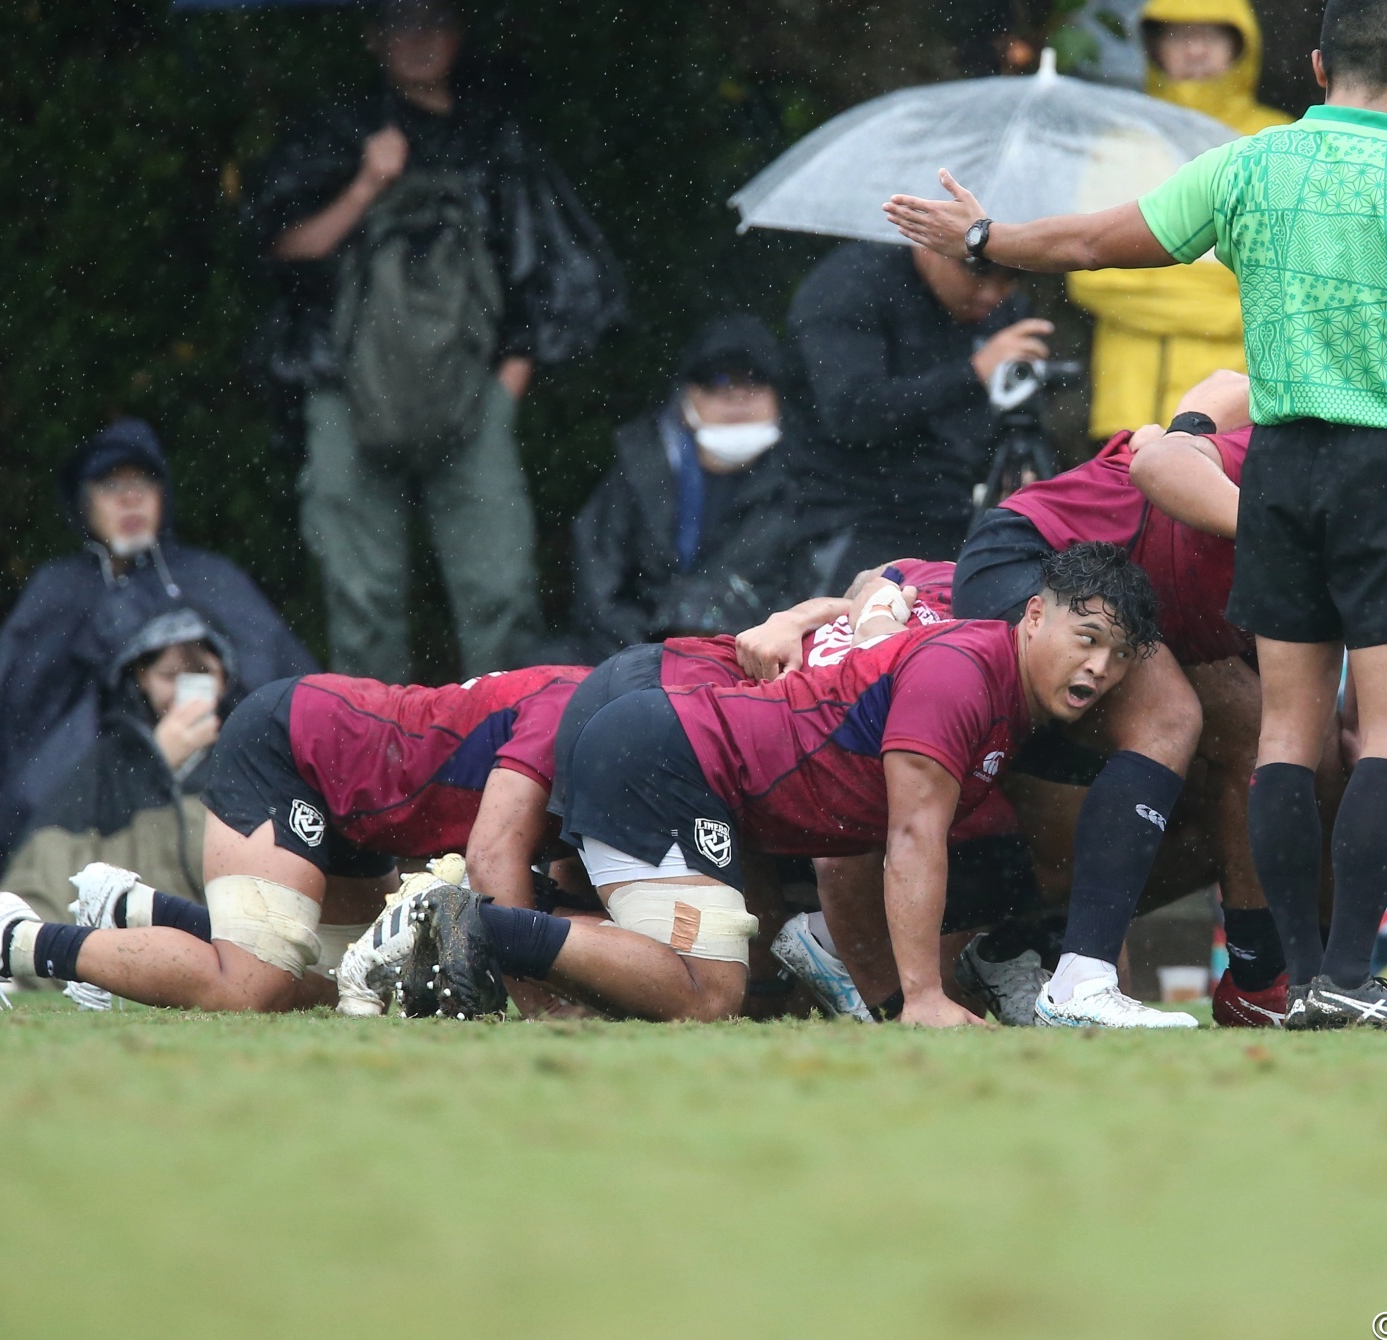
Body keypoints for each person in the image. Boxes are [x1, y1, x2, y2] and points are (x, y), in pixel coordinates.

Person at [886, 0, 1387, 1030]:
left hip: (1283, 466)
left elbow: (1098, 240)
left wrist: (986, 235)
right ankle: (1344, 976)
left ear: (1316, 66)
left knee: (1285, 736)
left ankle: (1288, 982)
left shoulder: (1249, 163)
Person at [360, 543, 1160, 1028]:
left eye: (1119, 656)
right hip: (666, 757)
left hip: (673, 752)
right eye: (1086, 638)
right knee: (710, 993)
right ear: (1033, 615)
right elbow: (910, 837)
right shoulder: (965, 671)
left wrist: (893, 1004)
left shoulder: (993, 679)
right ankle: (465, 919)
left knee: (690, 981)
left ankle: (476, 926)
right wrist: (918, 999)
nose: (1098, 667)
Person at [251, 0, 622, 682]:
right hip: (345, 389)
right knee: (362, 597)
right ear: (373, 36)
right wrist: (367, 184)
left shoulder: (497, 139)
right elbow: (284, 250)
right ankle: (372, 743)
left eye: (435, 21)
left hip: (473, 395)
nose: (420, 38)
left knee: (501, 591)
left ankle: (506, 738)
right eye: (402, 23)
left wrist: (504, 391)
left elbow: (546, 271)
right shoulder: (336, 129)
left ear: (459, 33)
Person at [0, 665, 590, 1015]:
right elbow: (493, 859)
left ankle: (135, 910)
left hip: (352, 789)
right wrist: (543, 1006)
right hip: (291, 750)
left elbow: (562, 877)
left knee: (355, 981)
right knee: (249, 986)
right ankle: (9, 939)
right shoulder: (571, 713)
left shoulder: (597, 711)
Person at [0, 418, 314, 882]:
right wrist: (140, 754)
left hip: (217, 784)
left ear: (163, 495)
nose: (130, 499)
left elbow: (284, 689)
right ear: (83, 502)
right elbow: (10, 719)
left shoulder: (210, 579)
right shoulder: (58, 591)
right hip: (86, 798)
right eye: (111, 485)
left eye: (143, 482)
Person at [1066, 0, 1289, 435]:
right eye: (1179, 35)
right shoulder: (1123, 142)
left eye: (1211, 35)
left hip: (1236, 409)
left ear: (1242, 45)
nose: (1195, 50)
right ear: (1154, 47)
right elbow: (1090, 277)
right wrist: (1227, 300)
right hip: (1131, 404)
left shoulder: (1279, 142)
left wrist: (1153, 277)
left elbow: (1292, 283)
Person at [783, 236, 1050, 586]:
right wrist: (972, 373)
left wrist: (1018, 472)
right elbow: (852, 412)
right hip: (857, 514)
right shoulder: (850, 285)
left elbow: (1009, 414)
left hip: (959, 514)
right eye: (978, 271)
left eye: (1011, 275)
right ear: (928, 246)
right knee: (870, 619)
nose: (992, 293)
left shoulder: (1001, 308)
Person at [572, 316, 815, 656]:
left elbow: (818, 590)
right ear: (685, 398)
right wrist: (650, 661)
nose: (737, 396)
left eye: (755, 381)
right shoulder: (641, 469)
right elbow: (598, 588)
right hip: (640, 657)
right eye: (717, 382)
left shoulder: (813, 479)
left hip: (766, 661)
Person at [0, 611, 231, 930]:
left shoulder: (246, 752)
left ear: (223, 679)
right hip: (128, 922)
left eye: (200, 675)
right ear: (143, 677)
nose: (181, 692)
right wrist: (156, 762)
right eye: (168, 676)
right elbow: (50, 852)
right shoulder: (113, 755)